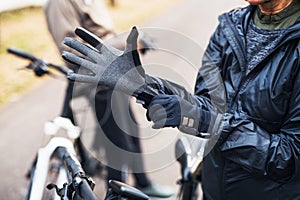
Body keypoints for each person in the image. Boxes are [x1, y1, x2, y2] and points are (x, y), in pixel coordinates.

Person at [61, 0, 300, 199]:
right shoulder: (231, 28)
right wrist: (144, 86)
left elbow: (289, 157)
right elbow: (208, 104)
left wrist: (209, 122)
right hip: (212, 189)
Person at [43, 0, 174, 198]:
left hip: (114, 72)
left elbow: (104, 33)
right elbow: (72, 50)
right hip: (95, 79)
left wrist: (129, 45)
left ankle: (143, 184)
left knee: (132, 129)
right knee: (118, 142)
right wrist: (125, 42)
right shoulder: (59, 3)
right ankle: (116, 195)